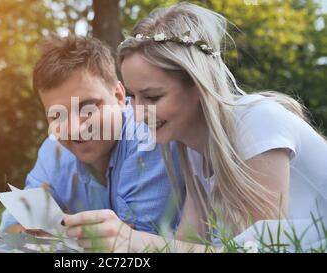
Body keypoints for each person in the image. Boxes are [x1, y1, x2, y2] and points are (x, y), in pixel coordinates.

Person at [62, 2, 327, 252]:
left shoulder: (258, 121)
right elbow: (187, 243)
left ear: (198, 86)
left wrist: (132, 239)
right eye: (133, 96)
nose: (138, 114)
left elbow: (264, 248)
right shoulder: (193, 150)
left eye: (152, 97)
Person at [0, 35, 184, 236]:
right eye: (57, 115)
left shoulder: (150, 135)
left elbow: (137, 245)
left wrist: (56, 234)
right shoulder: (53, 150)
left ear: (119, 96)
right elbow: (16, 223)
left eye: (88, 108)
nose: (75, 129)